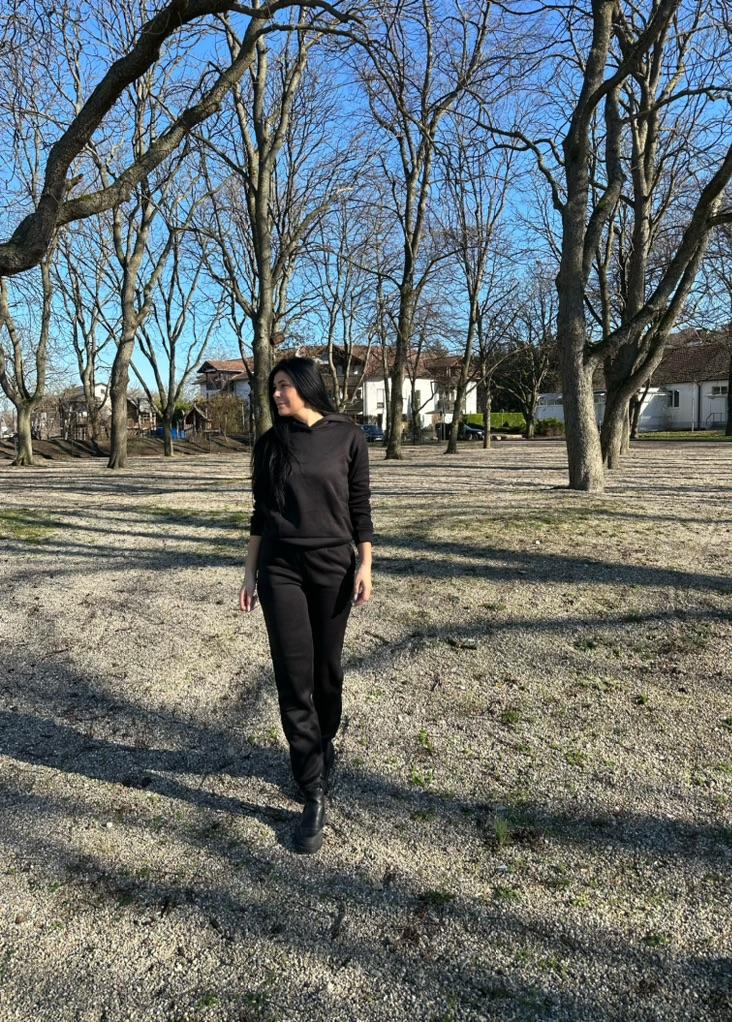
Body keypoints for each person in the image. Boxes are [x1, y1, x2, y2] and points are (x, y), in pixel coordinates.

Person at [239, 356, 374, 854]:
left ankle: (324, 739)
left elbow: (360, 506)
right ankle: (312, 788)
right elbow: (260, 513)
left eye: (283, 386)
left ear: (306, 386)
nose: (276, 394)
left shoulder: (348, 437)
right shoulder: (269, 445)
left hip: (333, 567)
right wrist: (250, 573)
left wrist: (365, 563)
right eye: (272, 387)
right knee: (294, 677)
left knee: (326, 671)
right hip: (281, 570)